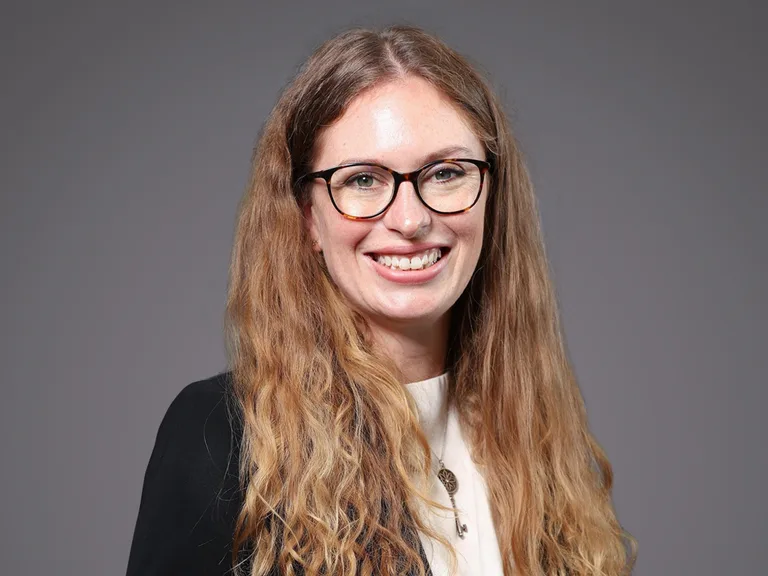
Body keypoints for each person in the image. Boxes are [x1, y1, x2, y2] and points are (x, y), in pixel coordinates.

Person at [126, 25, 636, 576]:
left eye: (445, 173)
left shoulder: (541, 440)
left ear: (492, 194)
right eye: (363, 179)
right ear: (307, 218)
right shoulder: (221, 439)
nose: (411, 220)